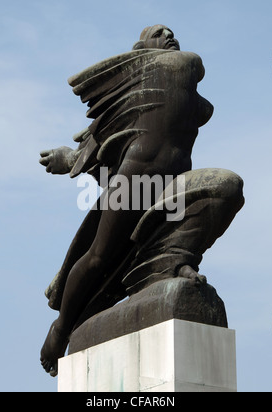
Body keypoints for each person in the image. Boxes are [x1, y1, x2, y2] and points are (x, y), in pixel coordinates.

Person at [39, 25, 217, 376]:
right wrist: (69, 158)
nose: (169, 34)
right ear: (142, 49)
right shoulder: (161, 70)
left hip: (171, 183)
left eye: (171, 31)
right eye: (158, 33)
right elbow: (104, 133)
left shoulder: (186, 92)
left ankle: (170, 265)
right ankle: (61, 330)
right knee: (98, 257)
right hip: (133, 180)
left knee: (166, 233)